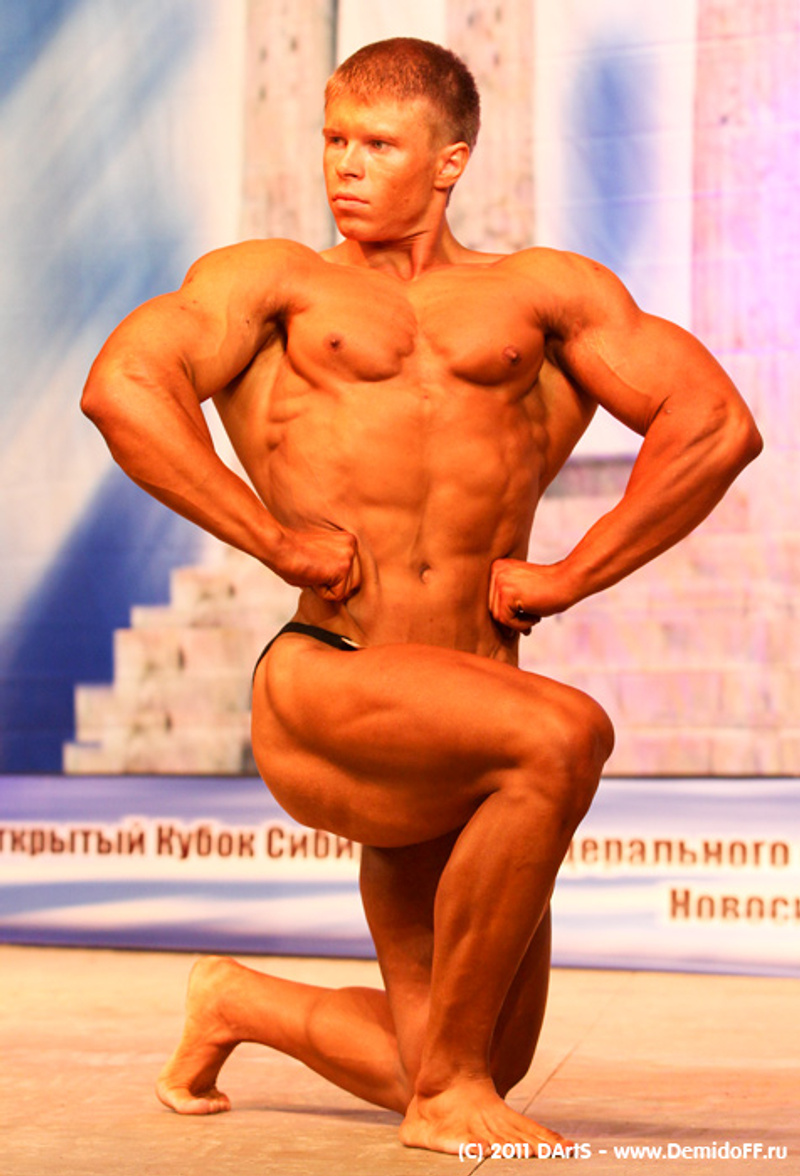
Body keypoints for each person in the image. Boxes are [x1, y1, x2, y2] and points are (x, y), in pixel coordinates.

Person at [81, 37, 762, 1157]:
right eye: (333, 140)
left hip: (464, 705)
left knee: (468, 1043)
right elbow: (124, 386)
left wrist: (573, 573)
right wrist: (272, 540)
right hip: (331, 678)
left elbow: (714, 424)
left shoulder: (542, 295)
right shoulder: (276, 283)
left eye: (378, 144)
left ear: (449, 162)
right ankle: (449, 1101)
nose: (345, 165)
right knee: (563, 736)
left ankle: (237, 1005)